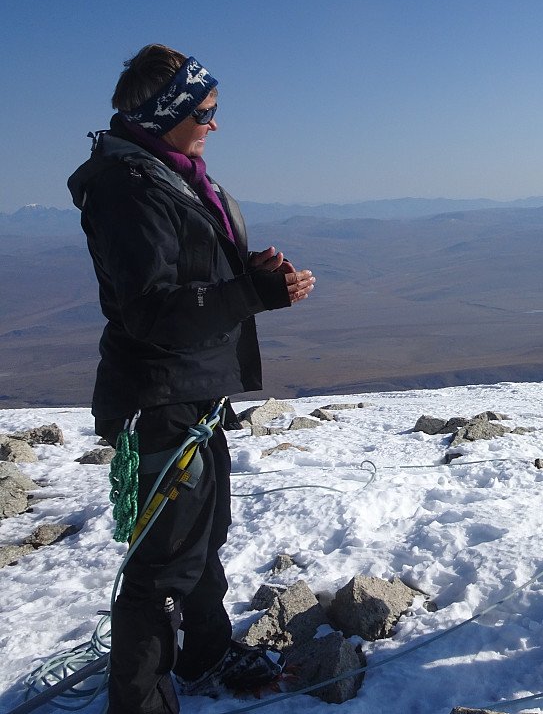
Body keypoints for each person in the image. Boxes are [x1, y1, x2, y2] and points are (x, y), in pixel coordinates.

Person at [67, 44, 316, 713]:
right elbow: (150, 310)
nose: (215, 124)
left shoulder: (170, 174)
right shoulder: (128, 188)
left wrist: (252, 275)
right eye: (206, 111)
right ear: (166, 112)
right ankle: (140, 701)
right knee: (161, 566)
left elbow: (193, 280)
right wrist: (252, 295)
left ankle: (204, 650)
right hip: (160, 394)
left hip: (195, 389)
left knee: (203, 536)